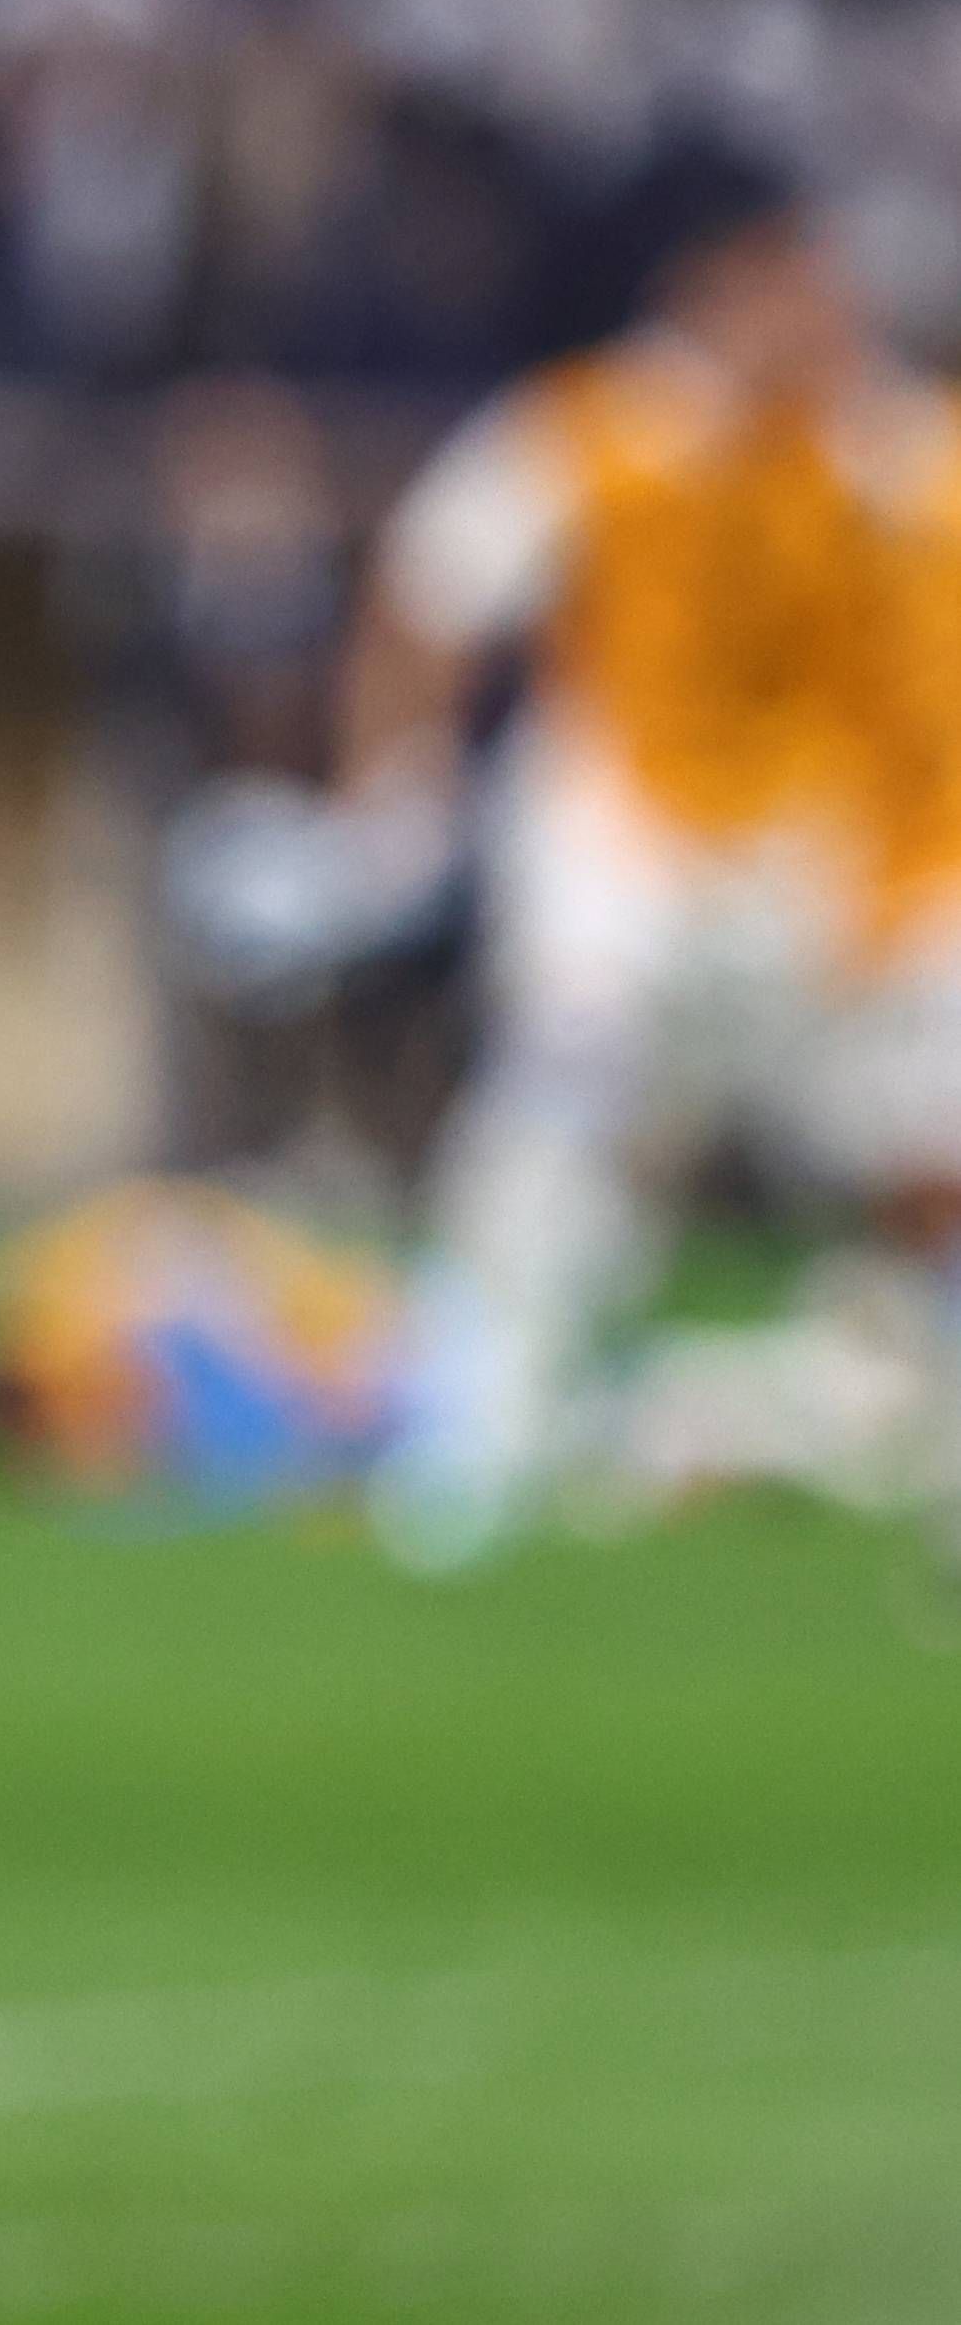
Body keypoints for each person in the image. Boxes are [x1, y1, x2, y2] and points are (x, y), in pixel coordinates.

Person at [341, 160, 961, 1562]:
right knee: (570, 1094)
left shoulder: (888, 446)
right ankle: (478, 1432)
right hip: (628, 839)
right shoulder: (597, 431)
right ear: (718, 289)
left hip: (817, 867)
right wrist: (402, 783)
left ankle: (838, 1417)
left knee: (926, 1156)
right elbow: (429, 585)